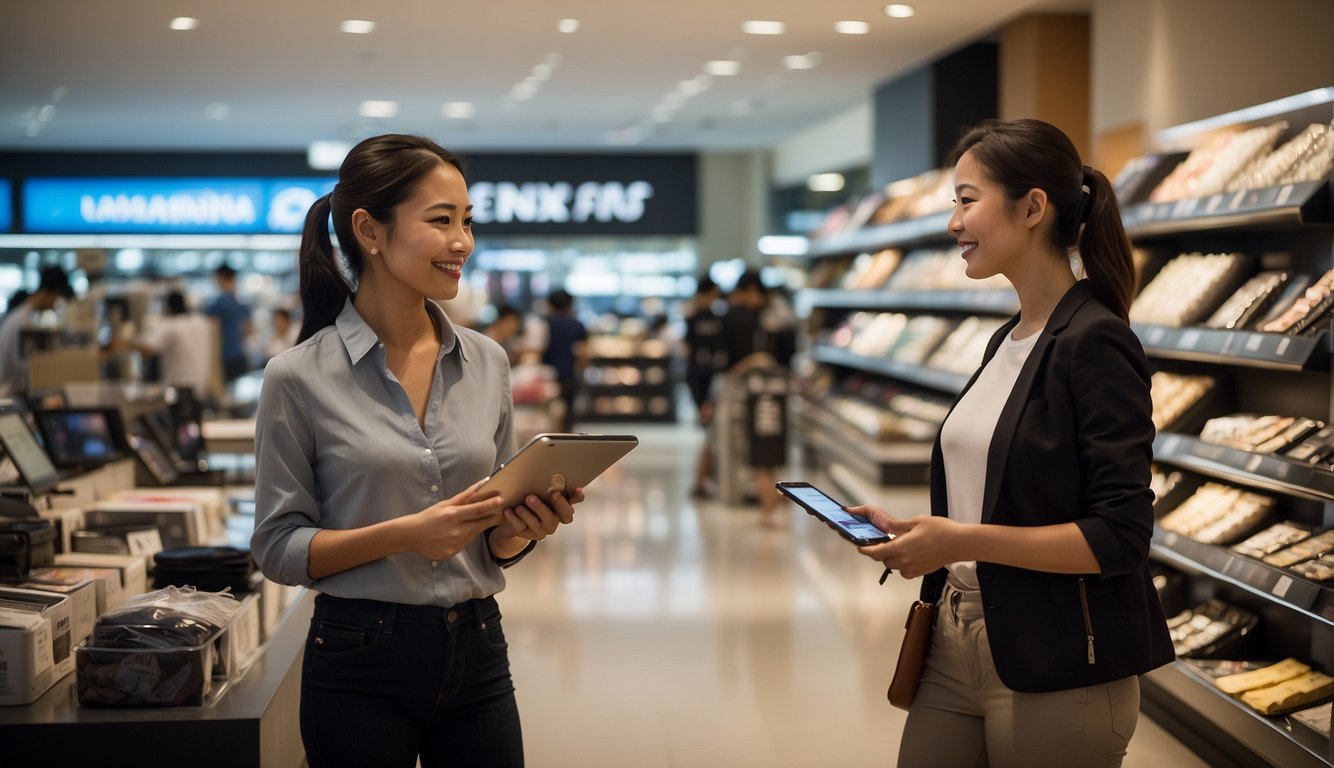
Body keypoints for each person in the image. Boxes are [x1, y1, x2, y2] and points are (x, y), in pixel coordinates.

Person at [249, 134, 583, 768]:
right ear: (370, 231)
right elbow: (278, 546)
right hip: (357, 661)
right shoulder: (296, 377)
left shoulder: (488, 362)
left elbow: (492, 536)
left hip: (479, 646)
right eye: (441, 220)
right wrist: (406, 535)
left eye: (466, 221)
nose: (463, 242)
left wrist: (519, 531)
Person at [850, 119, 1173, 768]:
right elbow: (995, 496)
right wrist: (924, 531)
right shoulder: (1009, 339)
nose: (953, 224)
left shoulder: (1096, 341)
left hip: (1060, 656)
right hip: (956, 632)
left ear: (1032, 207)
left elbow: (1121, 536)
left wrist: (961, 539)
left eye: (967, 200)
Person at [719, 269, 787, 525]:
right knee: (765, 451)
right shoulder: (760, 318)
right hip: (765, 393)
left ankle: (769, 503)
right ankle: (771, 500)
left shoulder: (753, 318)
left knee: (762, 451)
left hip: (756, 395)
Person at [0, 266, 74, 396]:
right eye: (56, 298)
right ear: (50, 292)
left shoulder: (22, 315)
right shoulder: (23, 322)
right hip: (11, 394)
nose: (54, 304)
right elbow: (23, 367)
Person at [133, 289, 217, 402]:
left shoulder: (171, 325)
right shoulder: (201, 322)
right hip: (202, 385)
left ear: (169, 308)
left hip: (178, 388)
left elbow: (148, 348)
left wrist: (123, 343)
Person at [682, 275, 724, 498]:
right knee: (710, 435)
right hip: (704, 383)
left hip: (702, 381)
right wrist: (704, 398)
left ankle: (703, 481)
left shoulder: (695, 317)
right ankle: (700, 482)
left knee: (710, 435)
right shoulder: (706, 318)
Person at [540, 288, 588, 432]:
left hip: (545, 377)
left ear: (550, 304)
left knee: (547, 416)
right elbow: (584, 355)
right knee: (567, 416)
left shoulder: (544, 324)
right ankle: (566, 444)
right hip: (568, 377)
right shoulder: (577, 326)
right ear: (570, 305)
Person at [205, 263, 253, 382]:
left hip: (224, 357)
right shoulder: (243, 303)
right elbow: (249, 330)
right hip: (240, 355)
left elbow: (211, 334)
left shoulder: (218, 303)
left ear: (220, 278)